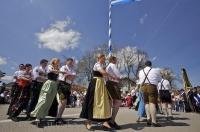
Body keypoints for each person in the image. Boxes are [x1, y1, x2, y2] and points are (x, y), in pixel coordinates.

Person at [80, 54, 115, 131]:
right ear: (98, 58)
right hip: (96, 83)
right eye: (103, 58)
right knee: (93, 102)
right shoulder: (97, 64)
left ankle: (104, 122)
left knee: (104, 102)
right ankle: (88, 122)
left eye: (104, 58)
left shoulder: (102, 65)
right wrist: (111, 75)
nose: (104, 59)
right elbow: (103, 72)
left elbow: (104, 74)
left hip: (101, 84)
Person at [31, 58, 60, 127]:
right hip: (48, 83)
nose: (58, 62)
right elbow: (50, 71)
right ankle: (37, 117)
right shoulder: (49, 66)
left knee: (49, 101)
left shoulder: (58, 69)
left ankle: (42, 116)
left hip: (54, 85)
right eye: (57, 61)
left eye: (59, 61)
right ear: (53, 61)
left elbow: (57, 77)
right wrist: (60, 72)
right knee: (43, 99)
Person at [138, 61, 162, 127]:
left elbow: (140, 80)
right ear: (151, 65)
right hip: (152, 86)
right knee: (152, 103)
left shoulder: (141, 71)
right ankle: (154, 121)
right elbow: (160, 79)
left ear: (145, 65)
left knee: (146, 103)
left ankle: (148, 119)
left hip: (143, 87)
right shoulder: (155, 70)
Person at [56, 58, 76, 124]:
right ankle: (57, 118)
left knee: (65, 103)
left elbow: (73, 77)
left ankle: (59, 117)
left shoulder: (73, 69)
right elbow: (67, 76)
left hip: (68, 85)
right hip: (61, 84)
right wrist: (70, 75)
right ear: (66, 62)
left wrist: (70, 75)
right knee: (62, 101)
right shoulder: (63, 67)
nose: (70, 63)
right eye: (69, 62)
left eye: (71, 62)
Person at [106, 56, 122, 130]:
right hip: (113, 84)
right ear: (113, 60)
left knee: (109, 102)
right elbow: (118, 76)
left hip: (109, 83)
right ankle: (111, 120)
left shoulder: (108, 66)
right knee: (118, 101)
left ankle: (108, 120)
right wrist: (119, 78)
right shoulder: (112, 65)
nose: (117, 61)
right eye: (116, 59)